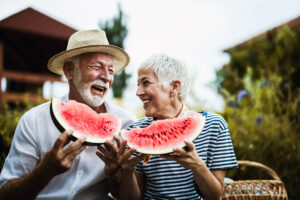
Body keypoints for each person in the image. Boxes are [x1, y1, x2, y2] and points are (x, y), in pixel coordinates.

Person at [0, 29, 137, 200]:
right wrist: (44, 172)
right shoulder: (34, 120)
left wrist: (116, 176)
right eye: (96, 67)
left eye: (111, 70)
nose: (106, 77)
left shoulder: (126, 123)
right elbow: (5, 194)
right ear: (69, 71)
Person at [97, 54, 238, 200]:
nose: (138, 92)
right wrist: (127, 170)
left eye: (146, 83)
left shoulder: (214, 126)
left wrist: (197, 166)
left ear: (174, 87)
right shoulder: (135, 131)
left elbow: (216, 196)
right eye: (138, 84)